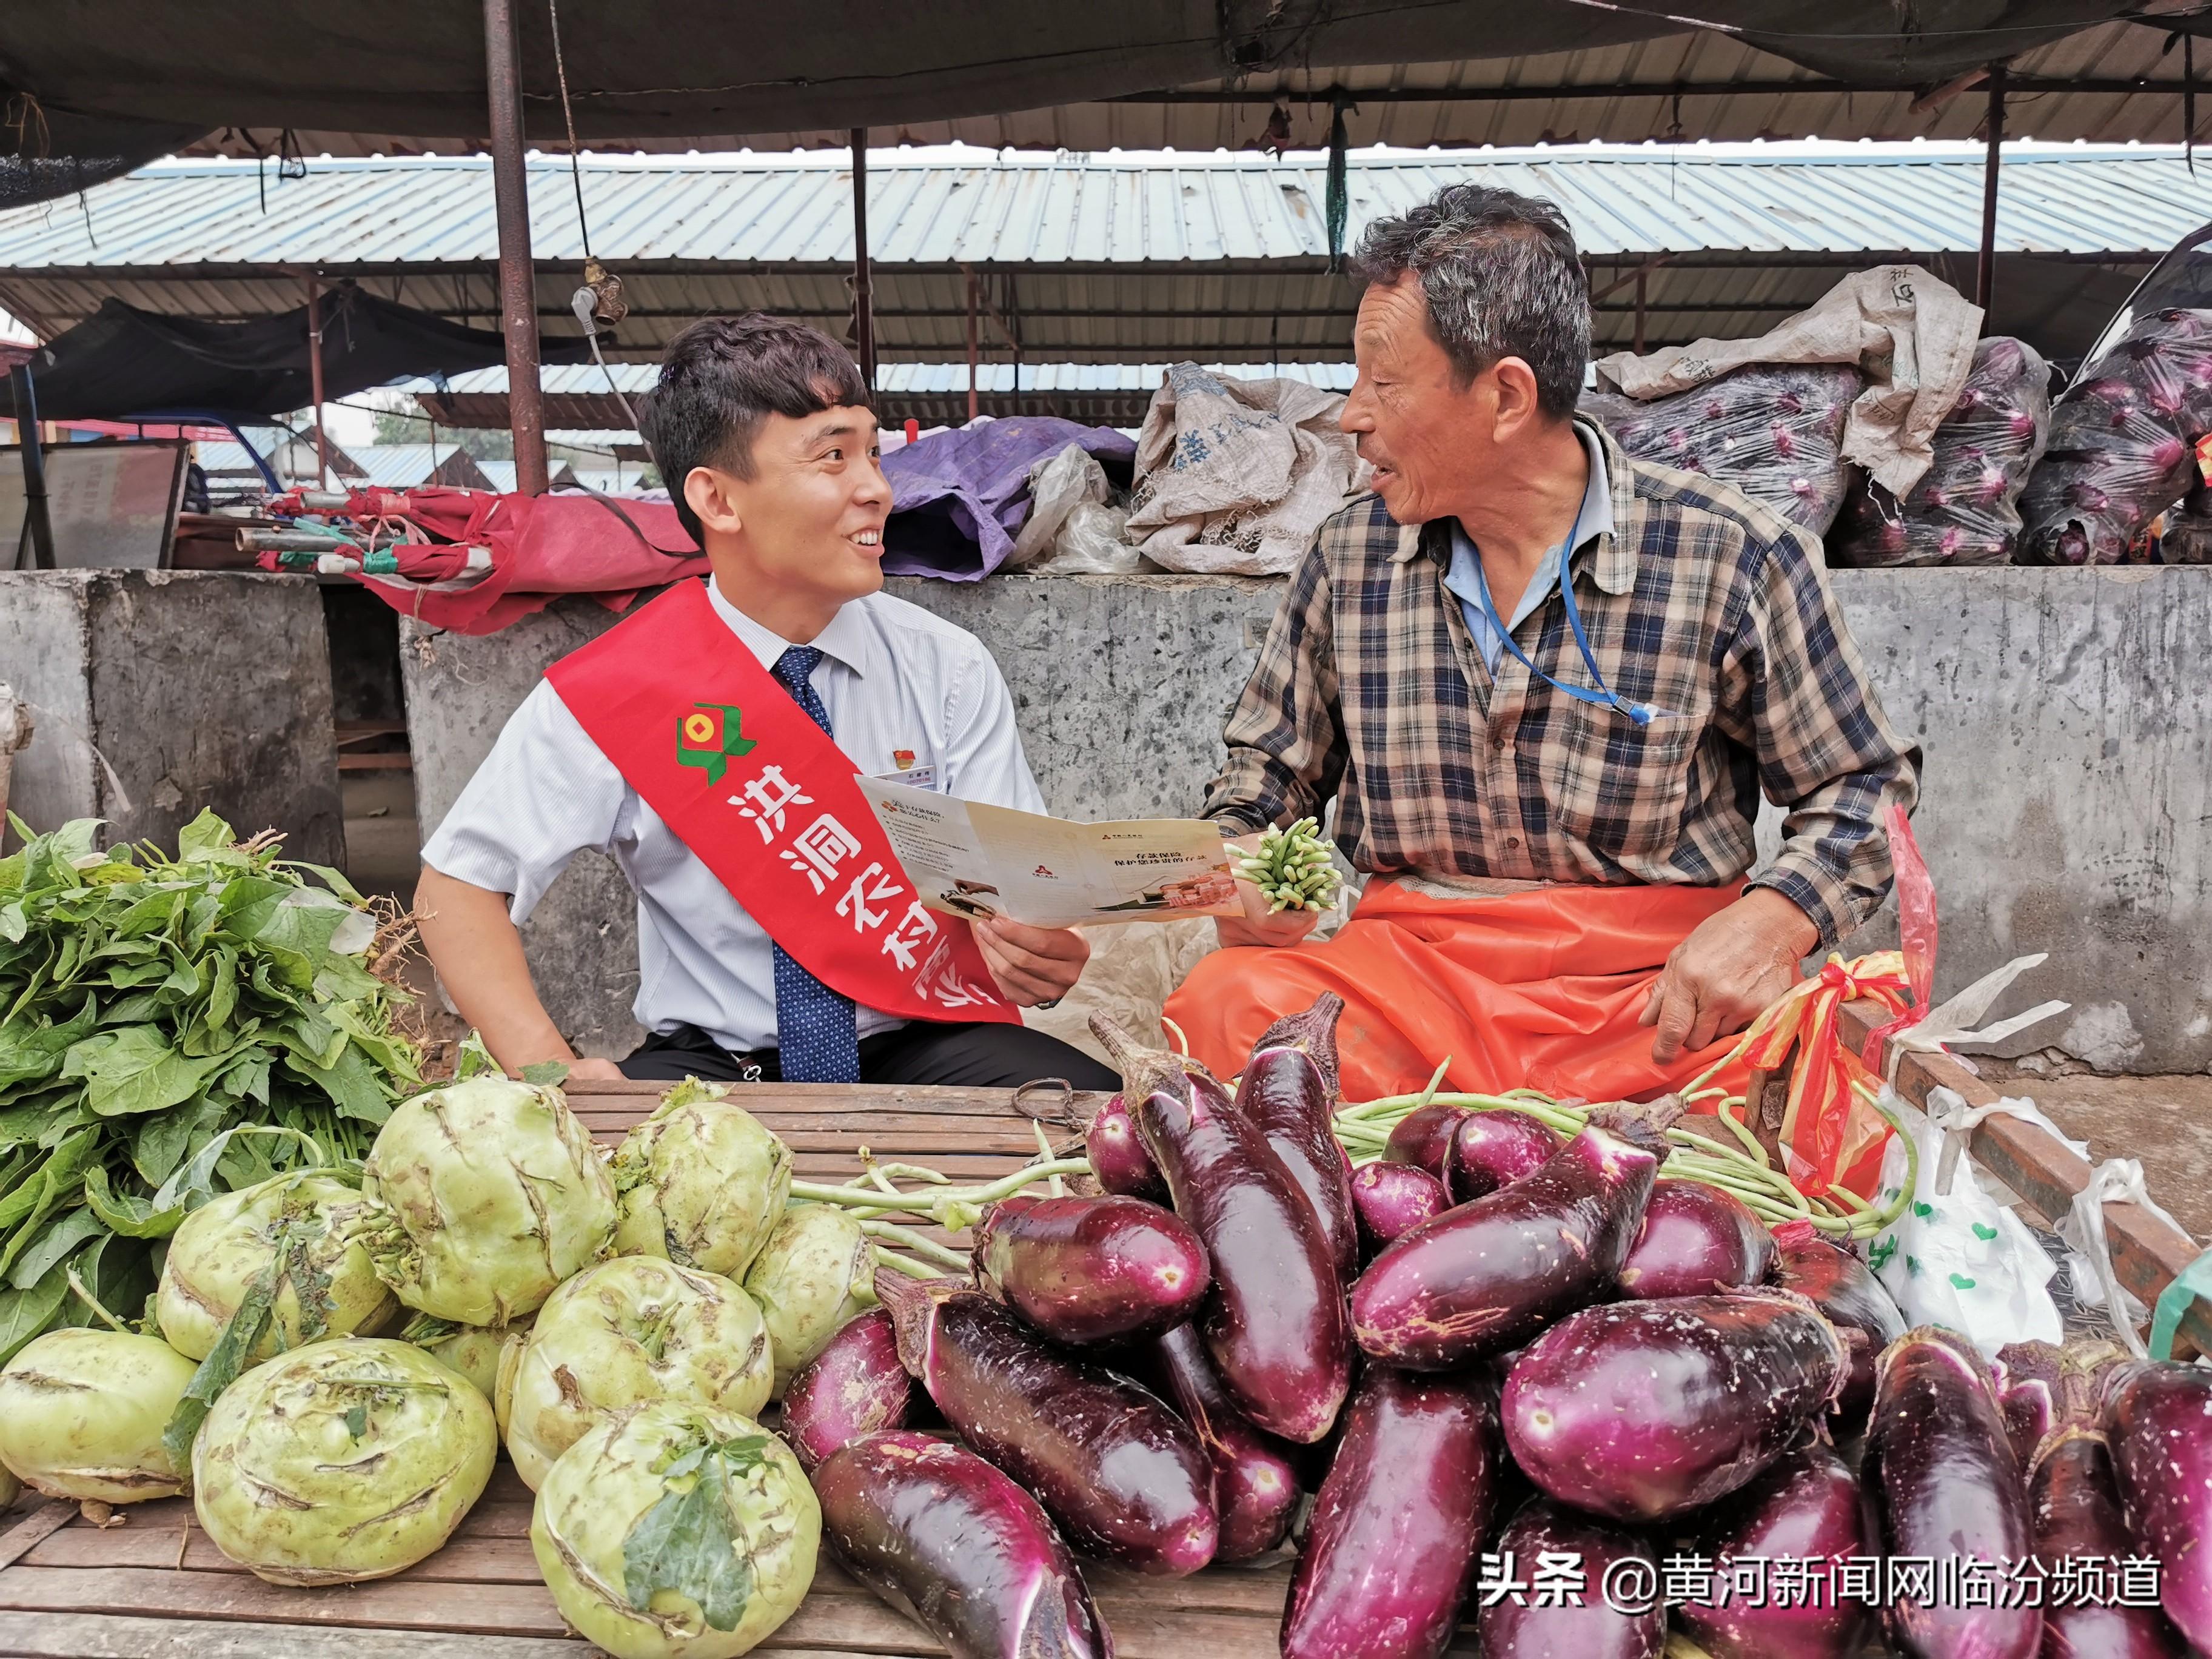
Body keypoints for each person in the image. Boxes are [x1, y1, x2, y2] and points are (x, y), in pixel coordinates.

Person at [1166, 185, 1921, 1105]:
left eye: (1384, 383)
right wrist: (1240, 857)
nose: (1352, 416)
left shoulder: (1734, 553)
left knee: (1791, 1064)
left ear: (1507, 396)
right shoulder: (1347, 556)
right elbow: (1267, 777)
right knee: (1225, 1005)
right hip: (1409, 985)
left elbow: (1863, 786)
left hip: (1651, 1001)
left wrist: (1778, 917)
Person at [415, 313, 1115, 1091]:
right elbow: (457, 887)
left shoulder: (946, 667)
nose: (877, 489)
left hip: (931, 1039)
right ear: (718, 499)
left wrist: (1035, 949)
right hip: (716, 1065)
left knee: (1119, 1140)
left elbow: (1015, 902)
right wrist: (555, 1074)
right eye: (832, 458)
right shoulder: (617, 689)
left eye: (873, 453)